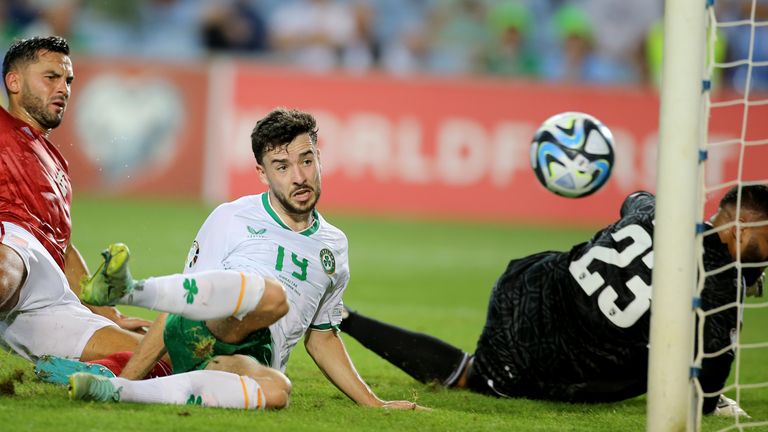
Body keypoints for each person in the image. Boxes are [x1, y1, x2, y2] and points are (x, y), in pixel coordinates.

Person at [69, 108, 422, 411]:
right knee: (272, 297)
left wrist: (374, 402)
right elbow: (185, 299)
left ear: (319, 159)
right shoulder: (232, 217)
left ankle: (123, 392)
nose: (299, 177)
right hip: (205, 325)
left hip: (242, 360)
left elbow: (322, 337)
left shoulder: (334, 245)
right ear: (262, 174)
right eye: (281, 166)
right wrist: (134, 366)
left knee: (277, 391)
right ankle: (128, 290)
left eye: (306, 161)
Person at [338, 185, 768, 416]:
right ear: (742, 230)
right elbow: (706, 394)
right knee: (475, 377)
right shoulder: (718, 293)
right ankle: (342, 317)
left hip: (525, 283)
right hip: (543, 346)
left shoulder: (659, 213)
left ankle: (342, 315)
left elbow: (635, 198)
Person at [0, 36, 151, 364]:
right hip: (11, 250)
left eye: (67, 80)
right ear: (14, 81)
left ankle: (78, 374)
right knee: (7, 266)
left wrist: (110, 313)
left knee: (150, 355)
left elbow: (63, 249)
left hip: (46, 296)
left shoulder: (56, 164)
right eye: (50, 77)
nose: (63, 88)